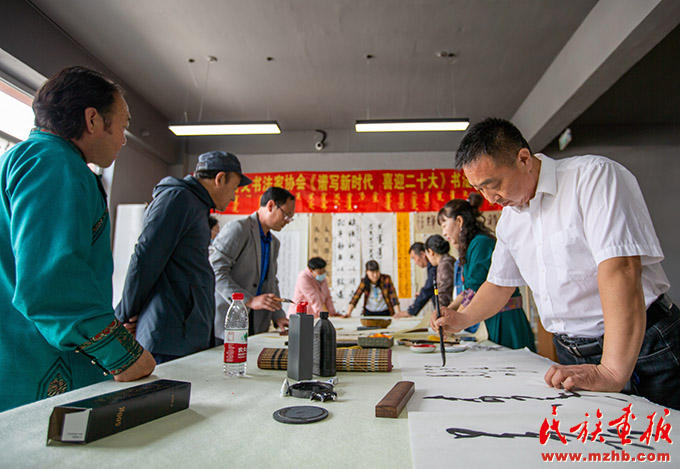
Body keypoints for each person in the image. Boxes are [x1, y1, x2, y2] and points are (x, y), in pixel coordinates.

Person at [433, 117, 679, 409]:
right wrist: (462, 319)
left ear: (523, 159)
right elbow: (498, 285)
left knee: (666, 447)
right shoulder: (511, 221)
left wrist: (611, 369)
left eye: (493, 184)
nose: (489, 198)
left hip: (644, 347)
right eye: (479, 189)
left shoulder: (592, 177)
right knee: (594, 450)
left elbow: (620, 268)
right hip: (572, 352)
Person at [0, 66, 155, 411]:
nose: (125, 139)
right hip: (37, 366)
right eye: (124, 125)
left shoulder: (25, 158)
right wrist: (123, 356)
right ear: (92, 119)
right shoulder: (52, 162)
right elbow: (51, 283)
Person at [115, 151, 249, 364]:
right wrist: (124, 316)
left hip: (184, 335)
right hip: (168, 338)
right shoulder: (178, 198)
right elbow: (146, 257)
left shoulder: (196, 205)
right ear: (220, 178)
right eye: (234, 188)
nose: (233, 196)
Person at [436, 194, 535, 350]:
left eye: (444, 225)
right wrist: (448, 312)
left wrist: (457, 320)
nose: (444, 232)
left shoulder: (481, 244)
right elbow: (468, 291)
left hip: (503, 319)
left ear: (459, 221)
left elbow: (475, 290)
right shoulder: (472, 246)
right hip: (490, 317)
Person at [211, 187, 294, 337]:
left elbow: (271, 281)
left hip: (256, 324)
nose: (287, 221)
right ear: (270, 206)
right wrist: (248, 300)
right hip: (229, 320)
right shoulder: (238, 229)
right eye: (286, 215)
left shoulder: (274, 242)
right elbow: (215, 271)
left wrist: (278, 315)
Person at [400, 242, 436, 318]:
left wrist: (411, 311)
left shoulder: (434, 266)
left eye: (414, 258)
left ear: (423, 254)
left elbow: (428, 289)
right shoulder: (430, 267)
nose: (415, 262)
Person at [424, 234, 456, 309]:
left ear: (430, 252)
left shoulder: (445, 264)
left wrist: (438, 311)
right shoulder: (449, 260)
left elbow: (444, 291)